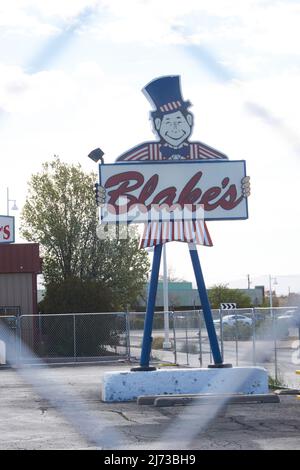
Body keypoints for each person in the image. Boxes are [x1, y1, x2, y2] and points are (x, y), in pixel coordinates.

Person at [99, 75, 250, 248]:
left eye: (178, 120)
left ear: (189, 121)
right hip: (156, 224)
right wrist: (104, 191)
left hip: (192, 222)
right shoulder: (146, 153)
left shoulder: (199, 151)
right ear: (157, 124)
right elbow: (117, 173)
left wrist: (241, 186)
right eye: (168, 122)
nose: (175, 127)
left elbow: (227, 170)